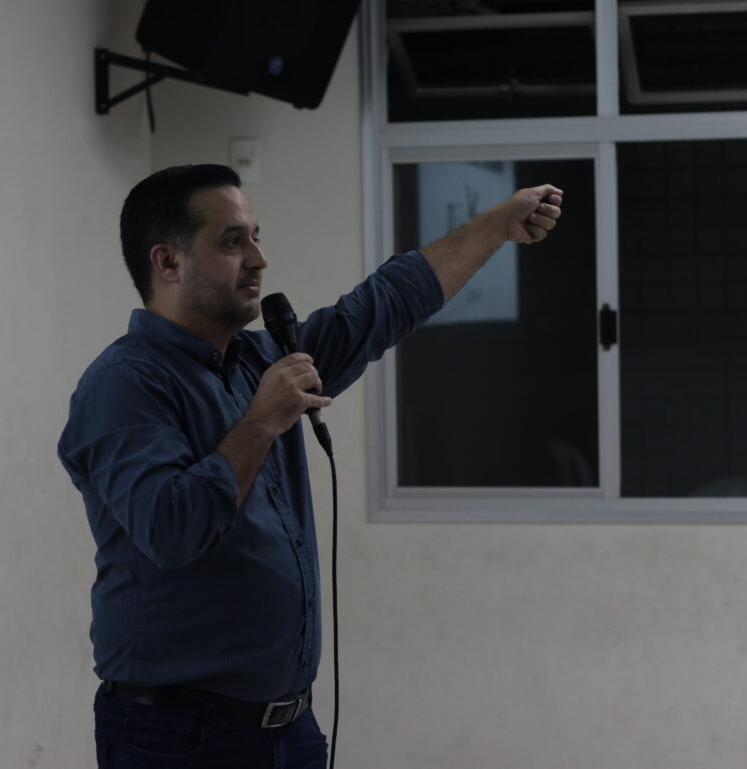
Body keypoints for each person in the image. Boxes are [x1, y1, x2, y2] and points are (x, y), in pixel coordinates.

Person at [57, 164, 562, 769]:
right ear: (167, 262)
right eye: (232, 242)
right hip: (177, 737)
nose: (259, 259)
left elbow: (386, 304)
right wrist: (260, 422)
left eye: (256, 236)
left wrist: (496, 226)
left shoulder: (261, 360)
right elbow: (170, 528)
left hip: (289, 730)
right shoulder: (124, 385)